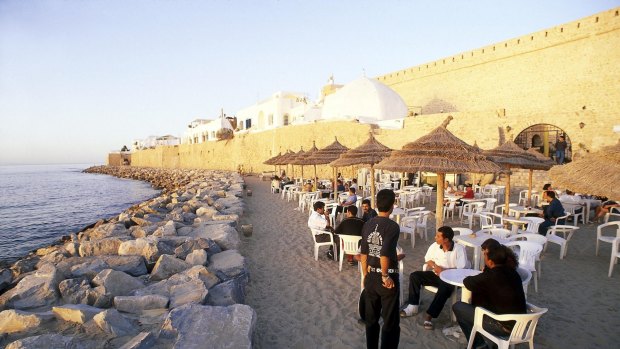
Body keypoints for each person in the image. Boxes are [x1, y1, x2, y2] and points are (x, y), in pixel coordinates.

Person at [452, 245, 526, 349]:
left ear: (490, 262)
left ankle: (479, 346)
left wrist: (485, 271)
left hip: (503, 328)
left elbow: (467, 282)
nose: (484, 258)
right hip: (522, 324)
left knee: (459, 307)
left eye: (485, 256)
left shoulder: (490, 276)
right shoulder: (513, 273)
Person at [400, 226, 468, 331]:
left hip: (451, 279)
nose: (435, 237)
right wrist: (435, 267)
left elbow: (461, 269)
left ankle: (429, 316)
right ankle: (413, 306)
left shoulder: (459, 249)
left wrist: (444, 271)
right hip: (436, 274)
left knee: (444, 289)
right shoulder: (435, 246)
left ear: (446, 239)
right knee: (415, 276)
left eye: (438, 236)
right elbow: (428, 259)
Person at [360, 189, 400, 349]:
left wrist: (365, 275)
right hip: (386, 277)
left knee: (371, 319)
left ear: (376, 204)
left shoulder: (368, 224)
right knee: (390, 320)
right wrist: (385, 275)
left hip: (370, 275)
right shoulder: (392, 226)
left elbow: (364, 253)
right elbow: (384, 253)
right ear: (392, 205)